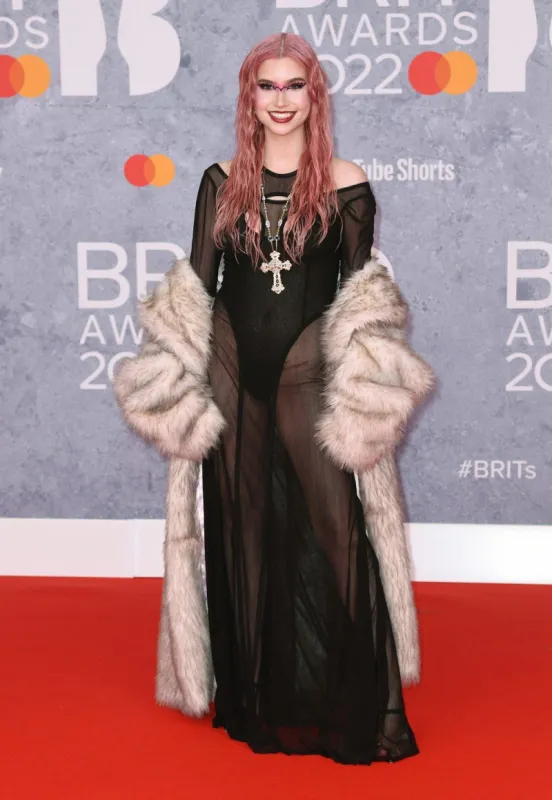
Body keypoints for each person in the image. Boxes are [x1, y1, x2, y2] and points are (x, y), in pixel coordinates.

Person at [113, 32, 435, 765]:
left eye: (296, 86)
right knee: (243, 528)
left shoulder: (348, 184)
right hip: (232, 367)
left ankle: (374, 705)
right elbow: (199, 285)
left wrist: (362, 385)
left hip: (305, 371)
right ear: (248, 96)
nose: (281, 100)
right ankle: (256, 697)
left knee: (337, 531)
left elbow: (361, 300)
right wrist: (175, 374)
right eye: (268, 86)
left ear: (313, 96)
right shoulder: (220, 179)